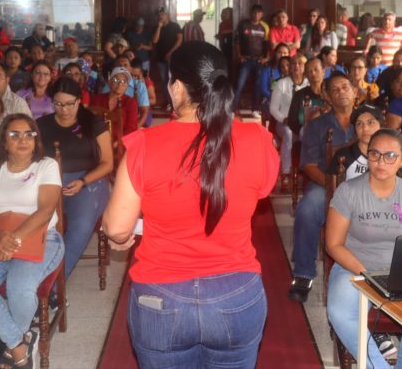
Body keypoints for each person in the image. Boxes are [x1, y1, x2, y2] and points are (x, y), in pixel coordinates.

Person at [102, 41, 279, 368]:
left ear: (178, 87)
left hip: (161, 296)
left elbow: (116, 227)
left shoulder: (144, 144)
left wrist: (119, 238)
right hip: (236, 294)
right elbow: (260, 190)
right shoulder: (259, 140)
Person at [0, 113, 63, 369]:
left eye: (29, 134)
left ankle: (15, 345)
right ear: (3, 141)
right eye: (14, 134)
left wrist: (13, 240)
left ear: (36, 139)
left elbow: (46, 210)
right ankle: (20, 343)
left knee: (19, 288)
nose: (23, 139)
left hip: (42, 237)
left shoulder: (46, 165)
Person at [326, 129, 402, 367]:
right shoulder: (349, 191)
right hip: (354, 268)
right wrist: (366, 275)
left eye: (390, 155)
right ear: (367, 155)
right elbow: (333, 244)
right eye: (375, 154)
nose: (381, 162)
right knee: (340, 313)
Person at [288, 73, 357, 303]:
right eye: (335, 89)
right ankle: (303, 273)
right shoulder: (317, 125)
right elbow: (308, 165)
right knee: (307, 210)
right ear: (327, 96)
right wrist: (333, 185)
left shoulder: (367, 121)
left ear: (354, 90)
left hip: (364, 185)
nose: (341, 92)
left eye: (345, 87)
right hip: (326, 183)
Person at [37, 78, 113, 282]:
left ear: (79, 101)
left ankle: (53, 287)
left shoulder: (92, 123)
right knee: (37, 223)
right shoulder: (42, 125)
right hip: (51, 183)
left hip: (89, 181)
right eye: (59, 104)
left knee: (80, 227)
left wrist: (84, 181)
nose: (65, 110)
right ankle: (32, 278)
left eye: (70, 104)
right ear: (51, 102)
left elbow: (107, 163)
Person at [270, 54, 308, 189]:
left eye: (300, 63)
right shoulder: (282, 83)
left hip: (304, 123)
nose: (296, 66)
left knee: (306, 134)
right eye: (293, 63)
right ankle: (286, 172)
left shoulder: (308, 83)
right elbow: (273, 108)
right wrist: (284, 119)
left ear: (305, 67)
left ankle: (305, 171)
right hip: (284, 123)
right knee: (288, 133)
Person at [327, 104, 383, 180]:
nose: (365, 128)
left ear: (381, 126)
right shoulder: (343, 156)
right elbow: (332, 187)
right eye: (359, 124)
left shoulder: (390, 155)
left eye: (370, 122)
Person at [233, 4, 270, 116]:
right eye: (254, 12)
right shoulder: (243, 25)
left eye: (259, 13)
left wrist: (266, 58)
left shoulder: (264, 27)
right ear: (251, 13)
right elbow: (237, 41)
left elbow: (267, 45)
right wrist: (239, 56)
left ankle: (255, 109)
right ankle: (232, 110)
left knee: (257, 85)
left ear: (262, 14)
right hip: (246, 60)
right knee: (240, 84)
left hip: (259, 61)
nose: (256, 15)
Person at [90, 67, 139, 136]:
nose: (120, 83)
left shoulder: (130, 103)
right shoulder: (97, 99)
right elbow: (89, 122)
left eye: (124, 81)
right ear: (109, 82)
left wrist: (118, 142)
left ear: (127, 85)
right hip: (97, 140)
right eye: (116, 80)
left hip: (119, 143)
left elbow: (131, 128)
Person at [152, 8, 182, 107]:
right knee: (164, 80)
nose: (160, 17)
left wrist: (170, 52)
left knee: (172, 79)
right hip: (160, 59)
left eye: (162, 15)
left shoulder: (175, 26)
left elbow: (179, 40)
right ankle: (167, 102)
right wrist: (159, 27)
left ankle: (175, 102)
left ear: (167, 15)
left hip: (172, 58)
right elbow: (155, 41)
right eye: (159, 15)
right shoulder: (157, 27)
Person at [287, 58, 326, 136]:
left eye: (316, 70)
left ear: (323, 71)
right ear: (306, 75)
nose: (313, 73)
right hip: (306, 133)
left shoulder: (330, 93)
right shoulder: (299, 95)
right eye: (309, 71)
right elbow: (292, 120)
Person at [258, 44, 290, 117]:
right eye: (280, 52)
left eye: (285, 53)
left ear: (289, 54)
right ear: (275, 53)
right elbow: (263, 90)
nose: (282, 55)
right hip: (270, 99)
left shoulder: (292, 71)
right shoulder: (268, 70)